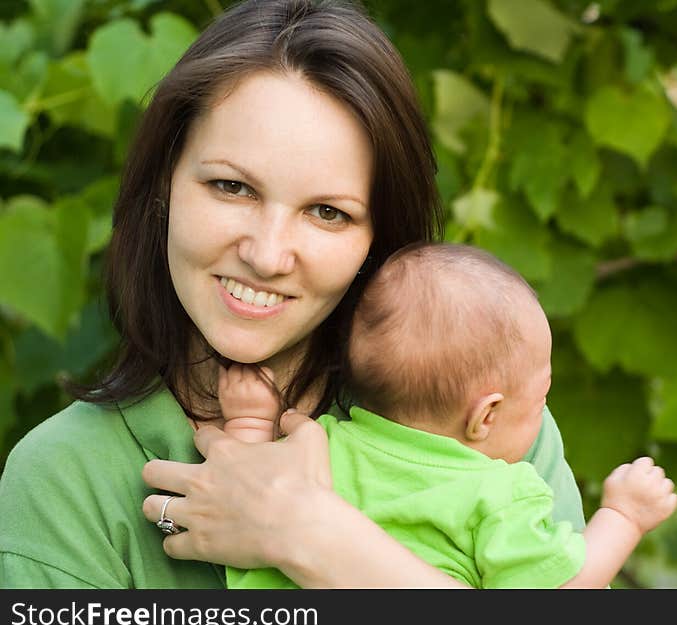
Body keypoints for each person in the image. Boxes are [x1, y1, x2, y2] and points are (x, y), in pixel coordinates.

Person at [0, 0, 588, 589]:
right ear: (164, 183)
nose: (267, 255)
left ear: (379, 238)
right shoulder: (62, 478)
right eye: (232, 187)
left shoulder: (482, 412)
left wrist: (313, 538)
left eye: (328, 212)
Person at [220, 243, 677, 589]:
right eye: (540, 399)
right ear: (485, 416)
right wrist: (624, 516)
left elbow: (243, 488)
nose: (543, 416)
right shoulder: (500, 494)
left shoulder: (318, 441)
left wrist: (251, 422)